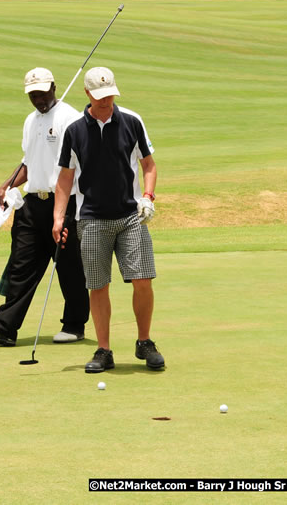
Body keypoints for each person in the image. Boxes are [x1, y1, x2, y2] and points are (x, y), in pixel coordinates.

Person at [52, 66, 164, 373]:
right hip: (91, 219)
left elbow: (149, 165)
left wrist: (148, 197)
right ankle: (103, 350)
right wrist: (58, 217)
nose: (106, 101)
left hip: (130, 215)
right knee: (98, 285)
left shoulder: (131, 121)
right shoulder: (74, 130)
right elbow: (64, 178)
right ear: (87, 94)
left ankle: (144, 342)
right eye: (100, 97)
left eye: (110, 95)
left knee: (143, 279)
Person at [0, 68, 89, 347]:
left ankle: (74, 325)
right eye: (33, 94)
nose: (38, 99)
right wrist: (7, 185)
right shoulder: (30, 120)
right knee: (21, 266)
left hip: (66, 203)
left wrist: (65, 210)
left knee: (70, 269)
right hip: (32, 204)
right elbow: (29, 161)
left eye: (42, 92)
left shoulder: (70, 119)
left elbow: (77, 166)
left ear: (54, 88)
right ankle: (5, 328)